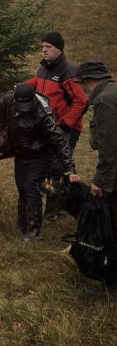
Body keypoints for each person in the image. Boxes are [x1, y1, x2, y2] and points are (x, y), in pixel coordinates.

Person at [0, 83, 80, 242]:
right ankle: (22, 224)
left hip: (41, 155)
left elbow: (58, 141)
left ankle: (33, 231)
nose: (24, 109)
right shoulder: (7, 101)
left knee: (31, 187)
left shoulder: (43, 113)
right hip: (20, 153)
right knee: (21, 186)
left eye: (27, 105)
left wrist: (70, 169)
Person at [25, 31, 88, 222]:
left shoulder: (68, 71)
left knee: (57, 167)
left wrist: (66, 125)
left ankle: (53, 213)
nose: (44, 50)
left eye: (48, 47)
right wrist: (23, 86)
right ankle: (65, 202)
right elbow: (36, 83)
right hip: (49, 127)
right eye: (42, 46)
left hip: (65, 129)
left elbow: (82, 101)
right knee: (50, 164)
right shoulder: (44, 67)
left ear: (59, 49)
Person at [73, 61, 117, 234]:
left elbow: (109, 146)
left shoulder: (105, 100)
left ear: (87, 80)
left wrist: (100, 181)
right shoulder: (112, 92)